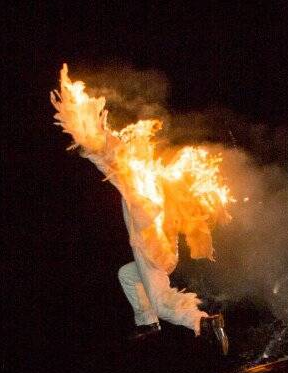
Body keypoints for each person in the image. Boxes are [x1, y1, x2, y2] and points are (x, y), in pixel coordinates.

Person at [52, 65, 230, 353]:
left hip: (151, 249)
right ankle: (147, 322)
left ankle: (203, 323)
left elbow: (111, 162)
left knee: (161, 302)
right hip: (159, 249)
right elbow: (114, 162)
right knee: (127, 274)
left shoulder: (140, 186)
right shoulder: (149, 181)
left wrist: (89, 146)